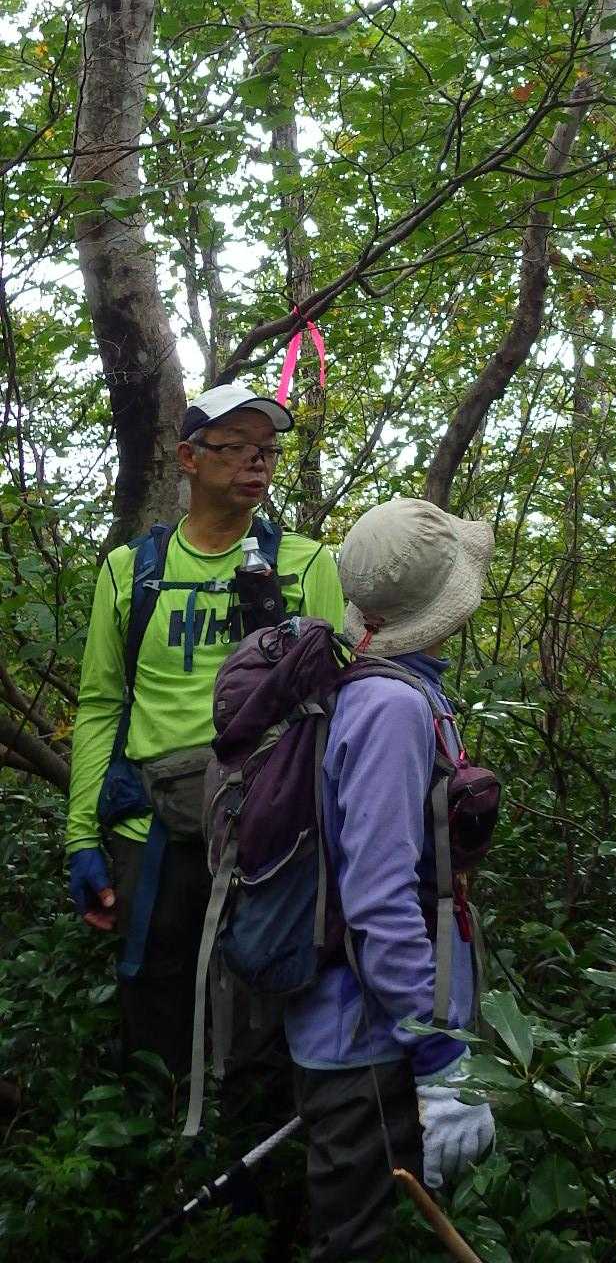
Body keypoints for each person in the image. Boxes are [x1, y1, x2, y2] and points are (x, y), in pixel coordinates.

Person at [66, 382, 345, 1076]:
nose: (258, 461)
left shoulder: (306, 564)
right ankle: (159, 1131)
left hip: (270, 826)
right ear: (189, 457)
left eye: (268, 450)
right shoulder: (132, 571)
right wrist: (82, 838)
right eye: (237, 447)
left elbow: (338, 705)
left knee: (266, 996)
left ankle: (251, 1138)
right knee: (154, 997)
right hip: (151, 829)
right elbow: (101, 705)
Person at [286, 496, 497, 1263]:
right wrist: (438, 1058)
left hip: (372, 1032)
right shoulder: (389, 707)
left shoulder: (392, 686)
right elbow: (378, 899)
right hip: (366, 1042)